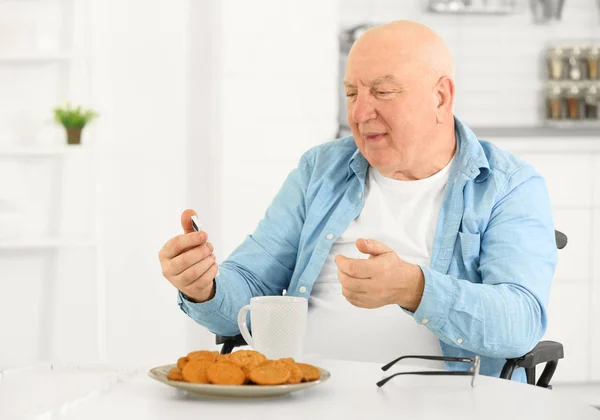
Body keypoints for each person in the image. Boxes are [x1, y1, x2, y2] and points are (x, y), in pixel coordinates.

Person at [158, 20, 557, 381]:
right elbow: (248, 290)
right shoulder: (320, 169)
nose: (360, 112)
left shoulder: (508, 186)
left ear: (440, 97)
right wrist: (204, 286)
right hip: (304, 395)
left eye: (383, 91)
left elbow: (520, 323)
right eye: (352, 93)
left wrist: (415, 289)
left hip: (445, 403)